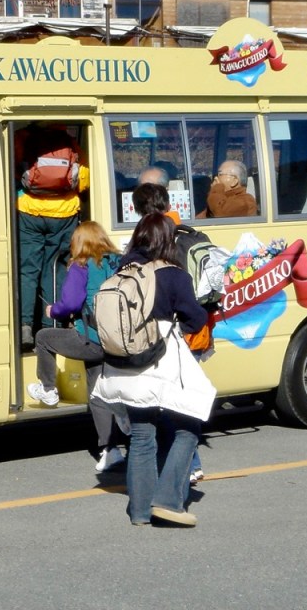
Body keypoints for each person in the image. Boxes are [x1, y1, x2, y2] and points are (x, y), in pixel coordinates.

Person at [92, 213, 214, 527]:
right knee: (189, 426)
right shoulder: (173, 274)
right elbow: (194, 320)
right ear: (167, 240)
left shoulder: (123, 269)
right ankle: (168, 500)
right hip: (159, 360)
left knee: (142, 434)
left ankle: (140, 511)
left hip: (123, 363)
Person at [26, 221, 126, 471]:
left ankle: (48, 389)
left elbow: (70, 304)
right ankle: (111, 449)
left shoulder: (81, 266)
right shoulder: (118, 262)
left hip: (91, 338)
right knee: (98, 393)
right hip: (117, 339)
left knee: (43, 337)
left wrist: (53, 310)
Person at [132, 181, 211, 485]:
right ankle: (187, 465)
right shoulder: (189, 234)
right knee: (179, 403)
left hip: (168, 338)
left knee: (172, 408)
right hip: (195, 333)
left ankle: (188, 467)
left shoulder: (151, 242)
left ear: (138, 209)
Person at [16, 124, 89, 347]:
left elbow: (13, 170)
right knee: (54, 269)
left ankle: (25, 326)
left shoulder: (24, 138)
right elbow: (83, 180)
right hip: (64, 213)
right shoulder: (71, 143)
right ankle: (51, 326)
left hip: (29, 212)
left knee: (28, 269)